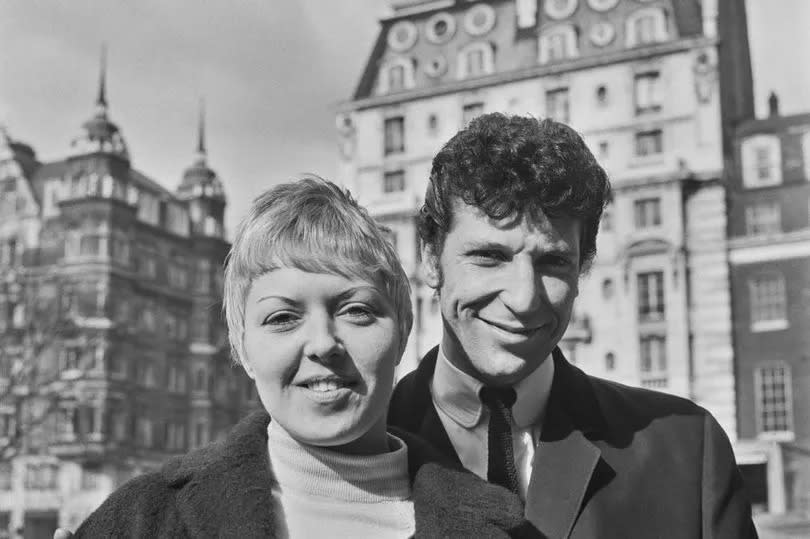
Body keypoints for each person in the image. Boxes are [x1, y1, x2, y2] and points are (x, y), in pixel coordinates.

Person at [67, 176, 536, 538]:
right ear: (241, 348)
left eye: (356, 311)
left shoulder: (502, 526)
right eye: (282, 318)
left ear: (404, 331)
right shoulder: (142, 521)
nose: (322, 343)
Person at [387, 113, 758, 538]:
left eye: (553, 262)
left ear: (582, 268)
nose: (524, 299)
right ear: (431, 260)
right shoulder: (352, 451)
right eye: (489, 257)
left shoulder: (689, 450)